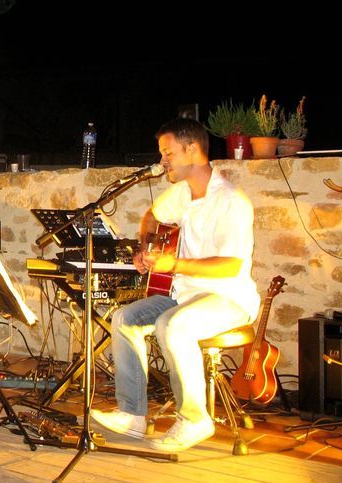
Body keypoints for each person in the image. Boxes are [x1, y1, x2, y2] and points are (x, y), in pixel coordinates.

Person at [91, 118, 260, 452]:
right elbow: (151, 218)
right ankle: (133, 414)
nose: (162, 161)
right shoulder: (182, 193)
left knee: (173, 324)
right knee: (124, 318)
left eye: (168, 153)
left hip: (228, 298)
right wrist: (147, 248)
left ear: (192, 150)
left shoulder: (230, 201)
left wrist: (175, 264)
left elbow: (231, 265)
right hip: (185, 295)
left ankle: (195, 418)